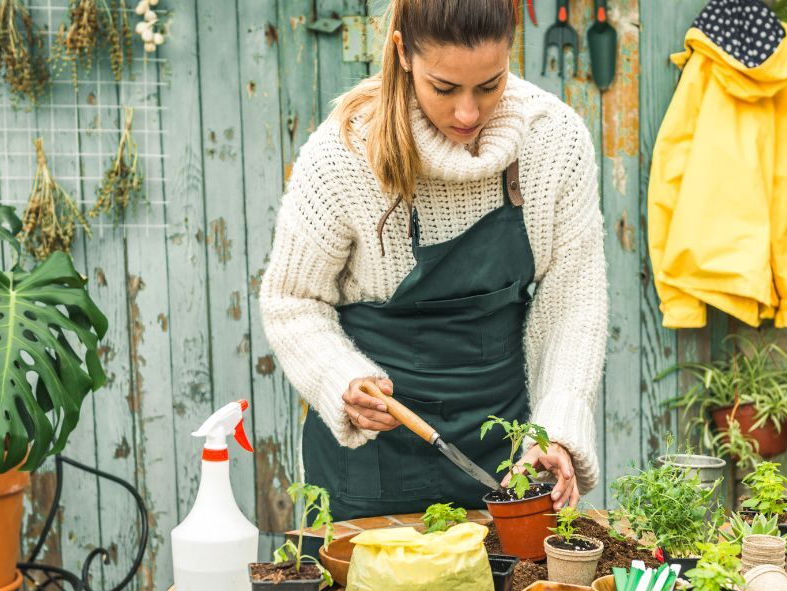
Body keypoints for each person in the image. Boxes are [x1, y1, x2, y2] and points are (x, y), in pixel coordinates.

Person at [259, 0, 606, 521]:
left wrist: (552, 430)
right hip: (372, 463)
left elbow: (574, 301)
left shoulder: (553, 141)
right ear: (402, 52)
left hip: (507, 458)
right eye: (444, 88)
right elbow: (292, 300)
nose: (468, 113)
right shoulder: (344, 153)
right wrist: (340, 378)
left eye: (489, 85)